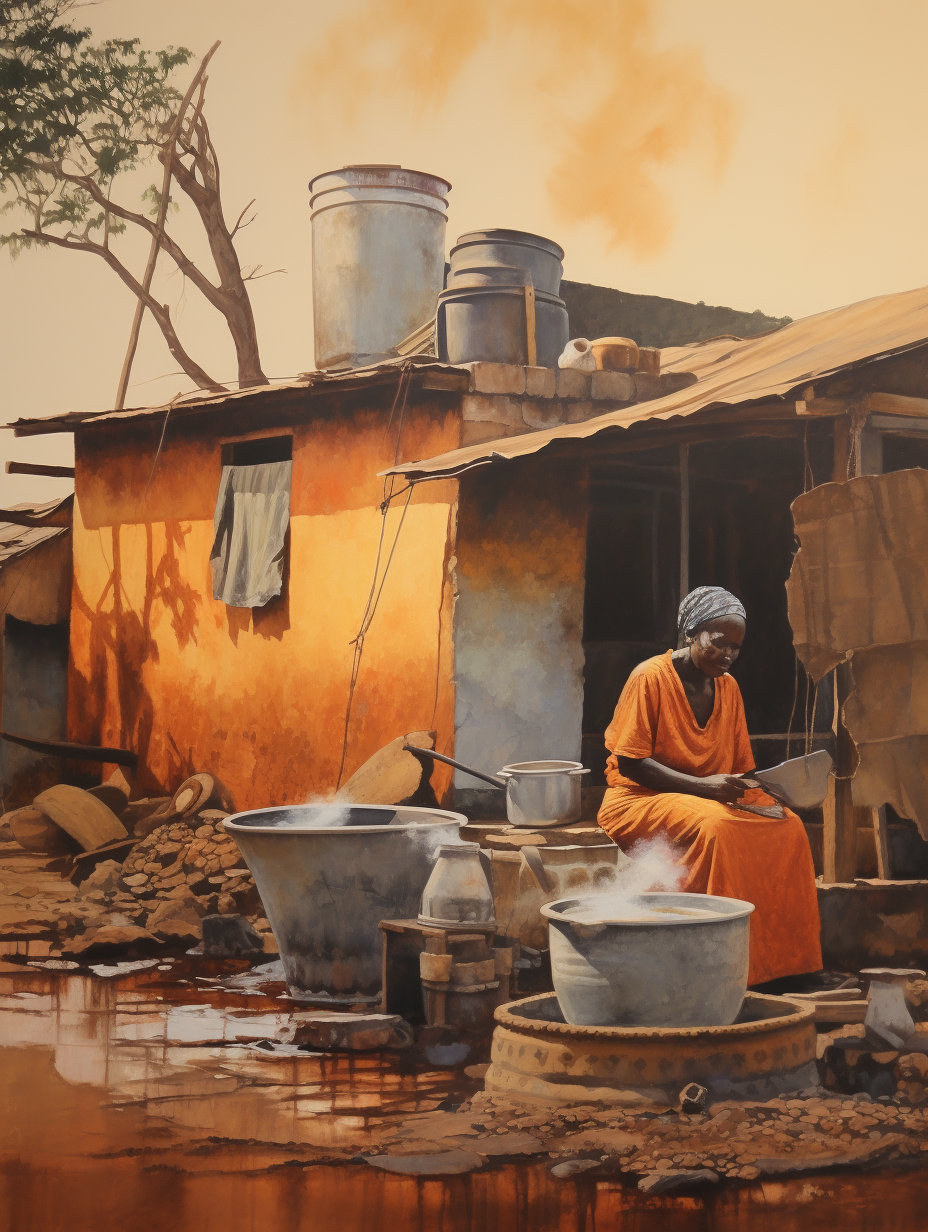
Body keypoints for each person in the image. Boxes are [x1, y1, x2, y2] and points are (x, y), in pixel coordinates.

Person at [597, 585, 825, 989]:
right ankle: (729, 968)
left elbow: (740, 767)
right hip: (639, 798)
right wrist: (703, 787)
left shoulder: (728, 688)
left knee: (788, 828)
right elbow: (632, 764)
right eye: (719, 643)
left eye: (736, 648)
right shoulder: (649, 677)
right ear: (691, 632)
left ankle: (791, 966)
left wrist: (776, 788)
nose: (728, 655)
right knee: (719, 829)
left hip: (711, 794)